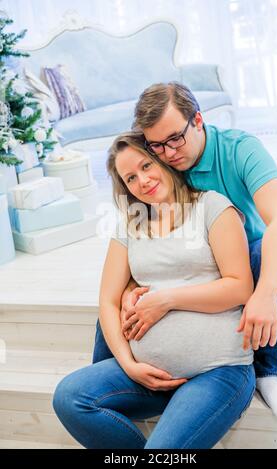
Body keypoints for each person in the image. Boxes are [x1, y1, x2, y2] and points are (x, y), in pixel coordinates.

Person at [93, 82, 277, 420]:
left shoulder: (240, 150)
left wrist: (265, 294)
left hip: (244, 258)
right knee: (115, 311)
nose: (169, 152)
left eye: (175, 138)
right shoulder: (160, 163)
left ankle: (266, 371)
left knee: (276, 257)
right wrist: (132, 288)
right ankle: (113, 388)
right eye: (157, 146)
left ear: (198, 120)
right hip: (194, 263)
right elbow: (151, 240)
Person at [53, 132, 256, 449]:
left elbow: (240, 287)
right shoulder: (130, 225)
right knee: (70, 398)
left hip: (218, 371)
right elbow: (107, 301)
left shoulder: (212, 207)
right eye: (131, 177)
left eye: (146, 165)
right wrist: (130, 365)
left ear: (163, 159)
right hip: (148, 378)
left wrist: (166, 300)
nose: (143, 180)